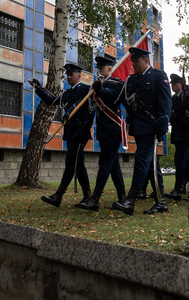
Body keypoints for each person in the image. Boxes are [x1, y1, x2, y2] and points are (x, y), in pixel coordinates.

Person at [111, 46, 172, 215]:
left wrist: (162, 125)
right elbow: (128, 103)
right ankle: (161, 202)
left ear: (146, 60)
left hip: (152, 126)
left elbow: (166, 104)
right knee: (152, 164)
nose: (133, 64)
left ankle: (130, 200)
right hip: (139, 127)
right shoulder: (132, 80)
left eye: (136, 61)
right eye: (132, 61)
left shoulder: (159, 76)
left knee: (141, 161)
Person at [30, 63, 93, 207]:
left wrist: (73, 113)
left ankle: (58, 196)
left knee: (71, 164)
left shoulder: (86, 90)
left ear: (79, 75)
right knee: (78, 165)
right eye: (68, 75)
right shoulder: (67, 93)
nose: (69, 77)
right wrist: (38, 88)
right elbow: (51, 101)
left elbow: (87, 110)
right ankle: (88, 196)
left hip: (80, 134)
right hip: (70, 134)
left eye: (72, 74)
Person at [77, 55, 127, 211]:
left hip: (113, 128)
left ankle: (95, 199)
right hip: (103, 130)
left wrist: (100, 90)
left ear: (110, 69)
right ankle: (123, 199)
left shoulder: (117, 83)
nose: (100, 71)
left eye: (102, 68)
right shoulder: (98, 84)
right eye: (98, 68)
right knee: (114, 166)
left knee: (104, 164)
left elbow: (112, 97)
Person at [168, 73, 189, 199]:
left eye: (175, 84)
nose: (173, 86)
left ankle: (179, 188)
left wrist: (187, 123)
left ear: (181, 84)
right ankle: (187, 187)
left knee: (180, 160)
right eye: (172, 84)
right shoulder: (174, 98)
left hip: (186, 133)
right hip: (178, 133)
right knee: (185, 162)